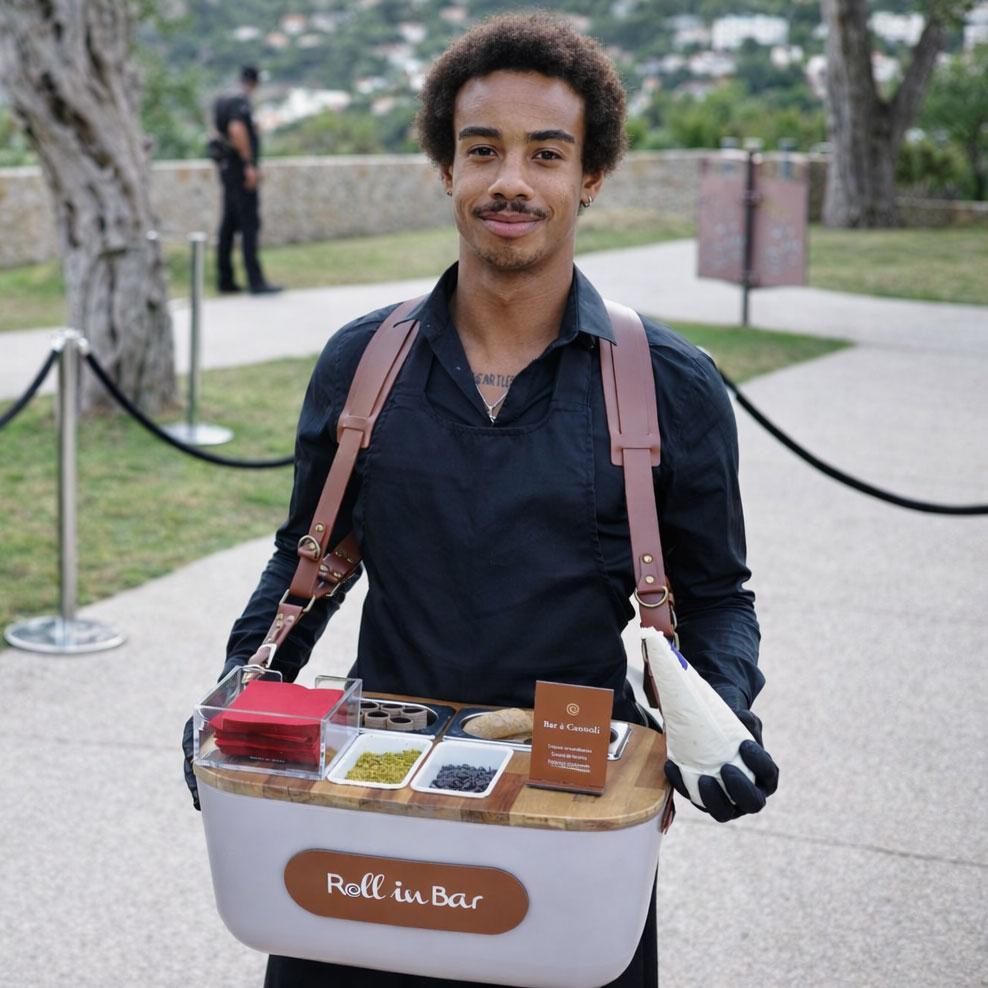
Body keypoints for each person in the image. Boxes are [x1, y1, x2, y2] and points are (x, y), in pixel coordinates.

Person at [184, 13, 778, 988]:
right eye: (482, 150)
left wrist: (722, 714)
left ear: (588, 176)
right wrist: (234, 691)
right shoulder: (362, 363)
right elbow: (309, 560)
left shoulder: (669, 383)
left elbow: (715, 596)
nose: (511, 180)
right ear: (445, 169)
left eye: (546, 154)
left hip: (572, 815)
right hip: (368, 802)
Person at [211, 65, 282, 295]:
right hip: (239, 170)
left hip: (227, 168)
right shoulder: (240, 101)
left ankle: (226, 280)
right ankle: (256, 281)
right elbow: (236, 129)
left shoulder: (224, 98)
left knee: (229, 226)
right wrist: (249, 164)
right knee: (249, 225)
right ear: (255, 82)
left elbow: (218, 131)